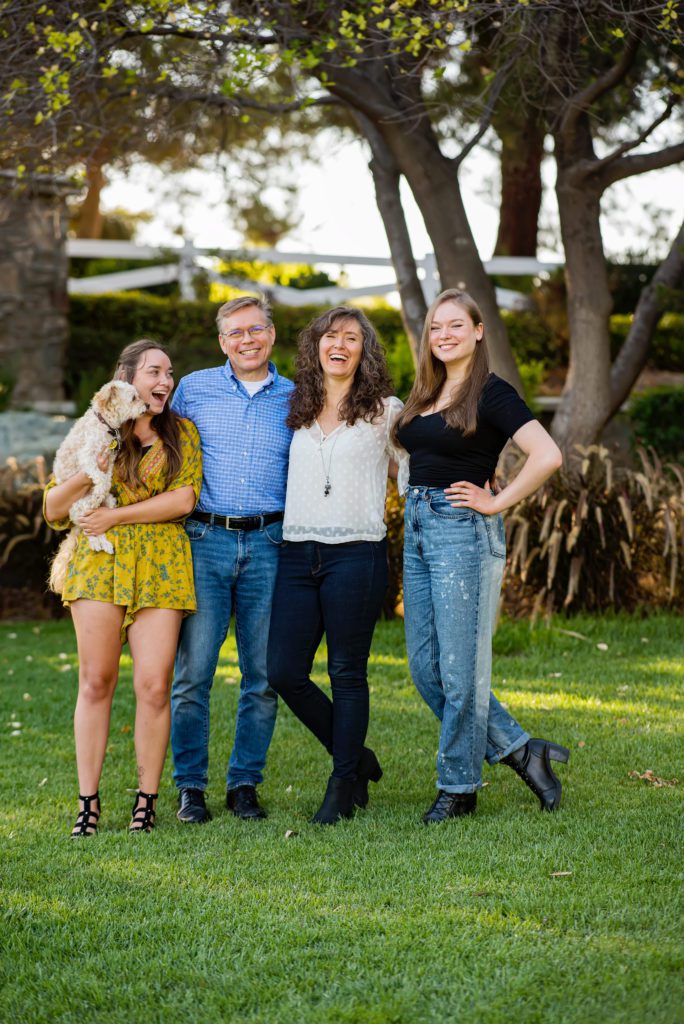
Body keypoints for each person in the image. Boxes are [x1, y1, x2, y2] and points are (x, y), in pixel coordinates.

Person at [394, 289, 569, 824]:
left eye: (454, 325)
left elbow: (548, 455)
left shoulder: (491, 393)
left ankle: (458, 787)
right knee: (427, 668)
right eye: (434, 328)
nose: (443, 335)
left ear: (477, 331)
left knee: (461, 671)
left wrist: (495, 500)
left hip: (461, 532)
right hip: (419, 527)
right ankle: (521, 750)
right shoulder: (426, 390)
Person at [44, 339, 202, 836]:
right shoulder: (94, 432)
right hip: (98, 563)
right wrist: (98, 467)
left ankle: (146, 802)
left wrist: (116, 514)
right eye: (154, 371)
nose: (164, 382)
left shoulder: (183, 433)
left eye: (169, 373)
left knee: (155, 687)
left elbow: (183, 500)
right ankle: (87, 804)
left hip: (161, 564)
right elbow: (52, 511)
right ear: (126, 377)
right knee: (95, 682)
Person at [267, 306, 404, 824]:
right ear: (316, 347)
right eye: (331, 337)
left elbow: (417, 463)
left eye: (351, 337)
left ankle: (343, 781)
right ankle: (358, 757)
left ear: (364, 350)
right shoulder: (296, 404)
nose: (339, 345)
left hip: (357, 554)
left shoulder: (385, 411)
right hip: (297, 552)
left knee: (347, 671)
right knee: (283, 670)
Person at [170, 295, 294, 824]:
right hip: (205, 542)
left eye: (257, 330)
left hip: (271, 543)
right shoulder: (192, 389)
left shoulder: (296, 394)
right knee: (193, 673)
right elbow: (155, 447)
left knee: (262, 675)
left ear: (271, 334)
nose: (248, 340)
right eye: (236, 333)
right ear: (223, 342)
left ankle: (244, 784)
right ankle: (190, 788)